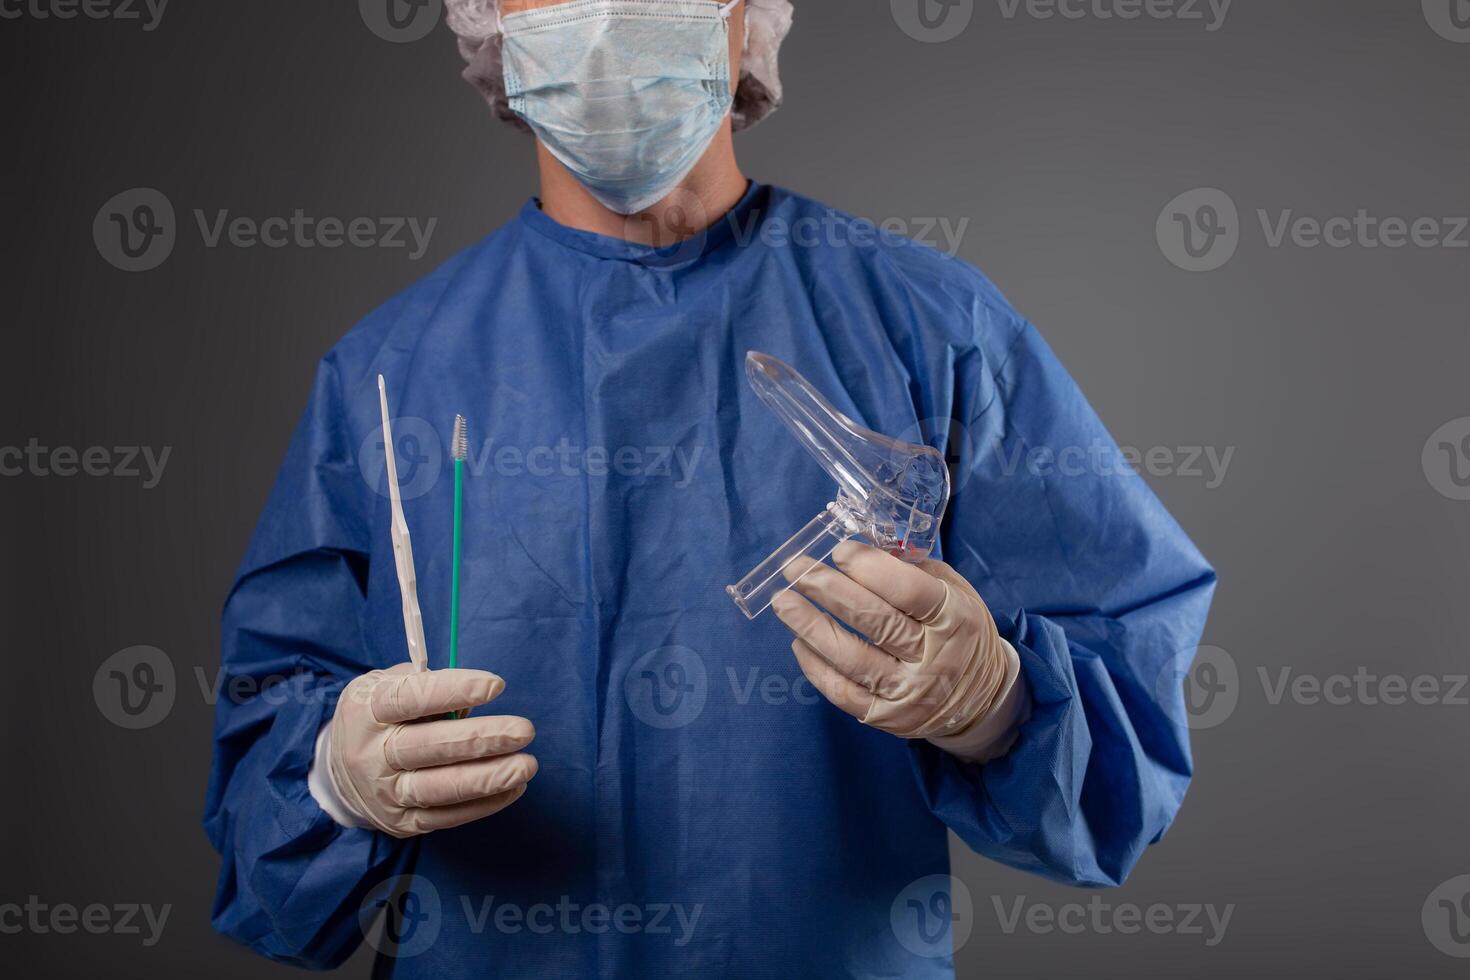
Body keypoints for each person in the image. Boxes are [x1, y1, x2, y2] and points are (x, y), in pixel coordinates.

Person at [204, 1, 1216, 976]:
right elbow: (267, 846)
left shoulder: (926, 329)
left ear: (744, 19)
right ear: (494, 26)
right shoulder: (394, 372)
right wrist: (334, 782)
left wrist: (995, 702)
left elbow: (1125, 752)